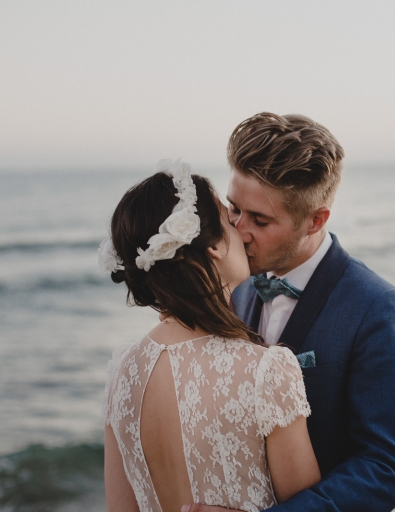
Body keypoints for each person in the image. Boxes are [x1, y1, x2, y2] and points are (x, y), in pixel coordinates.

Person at [184, 113, 395, 512]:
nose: (238, 230)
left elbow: (386, 468)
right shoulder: (237, 288)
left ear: (315, 220)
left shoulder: (380, 309)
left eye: (260, 220)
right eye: (234, 208)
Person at [100, 159, 321, 512]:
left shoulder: (123, 371)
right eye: (228, 219)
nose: (241, 229)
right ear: (214, 246)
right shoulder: (267, 370)